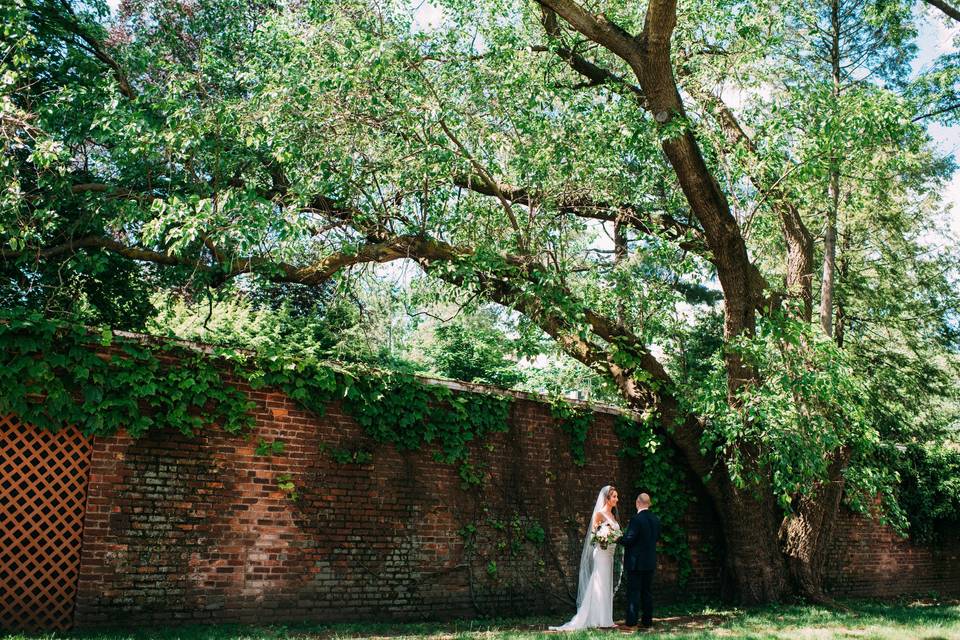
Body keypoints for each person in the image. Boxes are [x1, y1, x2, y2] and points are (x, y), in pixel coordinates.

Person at [549, 485, 620, 631]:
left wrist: (614, 537)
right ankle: (598, 619)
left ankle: (607, 618)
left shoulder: (613, 516)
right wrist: (603, 537)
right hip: (601, 553)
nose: (616, 499)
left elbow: (616, 534)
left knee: (607, 585)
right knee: (600, 584)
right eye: (614, 497)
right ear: (607, 498)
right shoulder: (600, 514)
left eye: (616, 497)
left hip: (610, 555)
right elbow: (594, 535)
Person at [618, 492, 661, 628]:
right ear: (649, 503)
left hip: (636, 563)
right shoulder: (656, 519)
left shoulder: (636, 519)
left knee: (634, 592)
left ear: (638, 503)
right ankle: (647, 621)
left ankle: (631, 622)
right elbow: (656, 538)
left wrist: (618, 538)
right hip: (650, 561)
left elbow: (629, 539)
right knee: (647, 592)